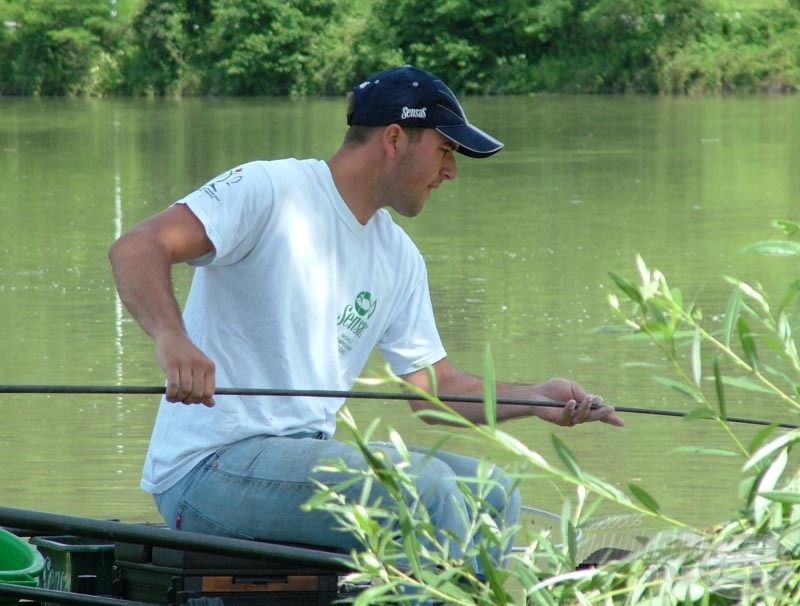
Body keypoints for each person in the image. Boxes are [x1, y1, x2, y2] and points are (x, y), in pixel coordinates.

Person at [108, 65, 624, 571]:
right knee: (424, 487)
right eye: (445, 150)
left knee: (496, 492)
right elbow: (136, 248)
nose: (451, 171)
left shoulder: (398, 257)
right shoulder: (270, 189)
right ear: (395, 139)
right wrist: (172, 338)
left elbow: (435, 388)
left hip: (303, 462)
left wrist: (535, 399)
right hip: (209, 469)